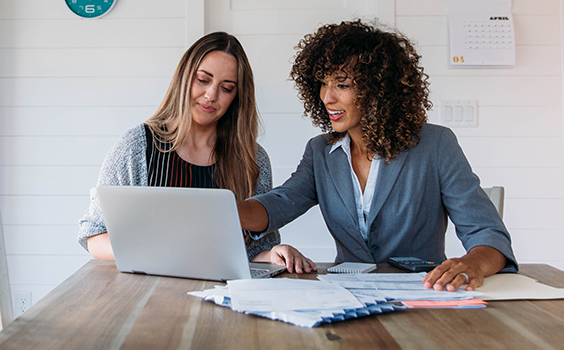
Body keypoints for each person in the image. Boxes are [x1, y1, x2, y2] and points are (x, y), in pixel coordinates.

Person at [236, 19, 517, 290]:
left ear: (379, 90)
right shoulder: (321, 151)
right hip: (347, 297)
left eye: (342, 85)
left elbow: (488, 235)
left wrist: (471, 264)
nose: (327, 97)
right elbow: (280, 204)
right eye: (323, 83)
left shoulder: (436, 145)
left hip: (421, 297)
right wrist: (226, 210)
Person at [78, 32, 314, 273]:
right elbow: (94, 235)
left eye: (227, 88)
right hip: (150, 294)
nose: (211, 95)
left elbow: (253, 250)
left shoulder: (252, 158)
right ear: (184, 78)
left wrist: (273, 254)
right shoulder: (137, 146)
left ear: (237, 96)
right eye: (203, 80)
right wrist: (159, 255)